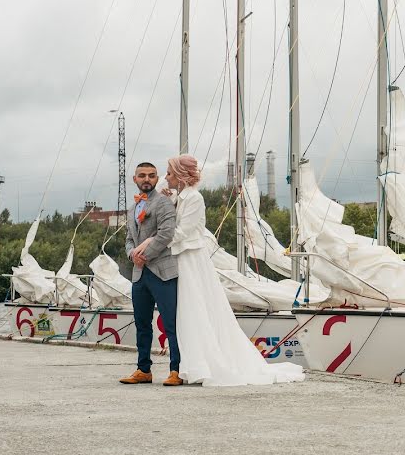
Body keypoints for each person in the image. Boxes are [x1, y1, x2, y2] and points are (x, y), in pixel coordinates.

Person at [163, 154, 304, 386]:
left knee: (195, 308)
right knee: (190, 312)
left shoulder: (194, 198)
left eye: (169, 173)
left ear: (180, 175)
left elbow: (183, 232)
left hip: (191, 260)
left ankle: (204, 363)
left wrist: (156, 243)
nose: (165, 177)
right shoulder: (181, 197)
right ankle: (195, 363)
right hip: (183, 258)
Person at [119, 162, 182, 386]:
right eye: (142, 176)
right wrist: (131, 256)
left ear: (157, 179)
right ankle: (143, 369)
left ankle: (176, 370)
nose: (147, 179)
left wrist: (145, 255)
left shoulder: (164, 203)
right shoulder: (132, 208)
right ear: (134, 179)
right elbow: (129, 239)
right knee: (142, 323)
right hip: (139, 274)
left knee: (171, 323)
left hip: (162, 272)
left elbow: (166, 234)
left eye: (152, 176)